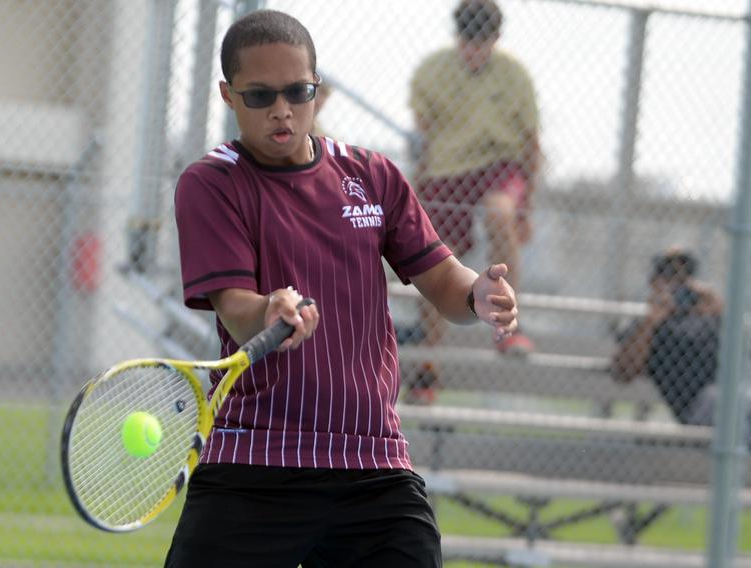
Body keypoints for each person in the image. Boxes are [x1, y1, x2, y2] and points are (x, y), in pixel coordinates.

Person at [168, 9, 521, 567]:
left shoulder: (373, 177)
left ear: (318, 90)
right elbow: (235, 310)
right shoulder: (210, 184)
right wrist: (268, 309)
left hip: (372, 467)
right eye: (259, 96)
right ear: (228, 95)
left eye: (297, 91)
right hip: (255, 461)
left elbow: (442, 281)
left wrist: (476, 294)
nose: (282, 110)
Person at [409, 0, 541, 368]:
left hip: (498, 167)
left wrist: (525, 208)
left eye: (482, 43)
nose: (473, 51)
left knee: (499, 213)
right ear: (457, 36)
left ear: (496, 38)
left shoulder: (515, 75)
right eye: (467, 41)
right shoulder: (432, 70)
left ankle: (508, 324)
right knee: (432, 253)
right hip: (446, 172)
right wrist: (418, 192)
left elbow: (532, 144)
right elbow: (422, 140)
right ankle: (428, 365)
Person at [612, 249, 725, 425]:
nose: (677, 285)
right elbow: (623, 372)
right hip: (703, 406)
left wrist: (719, 310)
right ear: (654, 282)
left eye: (685, 277)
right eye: (669, 276)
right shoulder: (645, 324)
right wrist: (652, 321)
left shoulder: (709, 315)